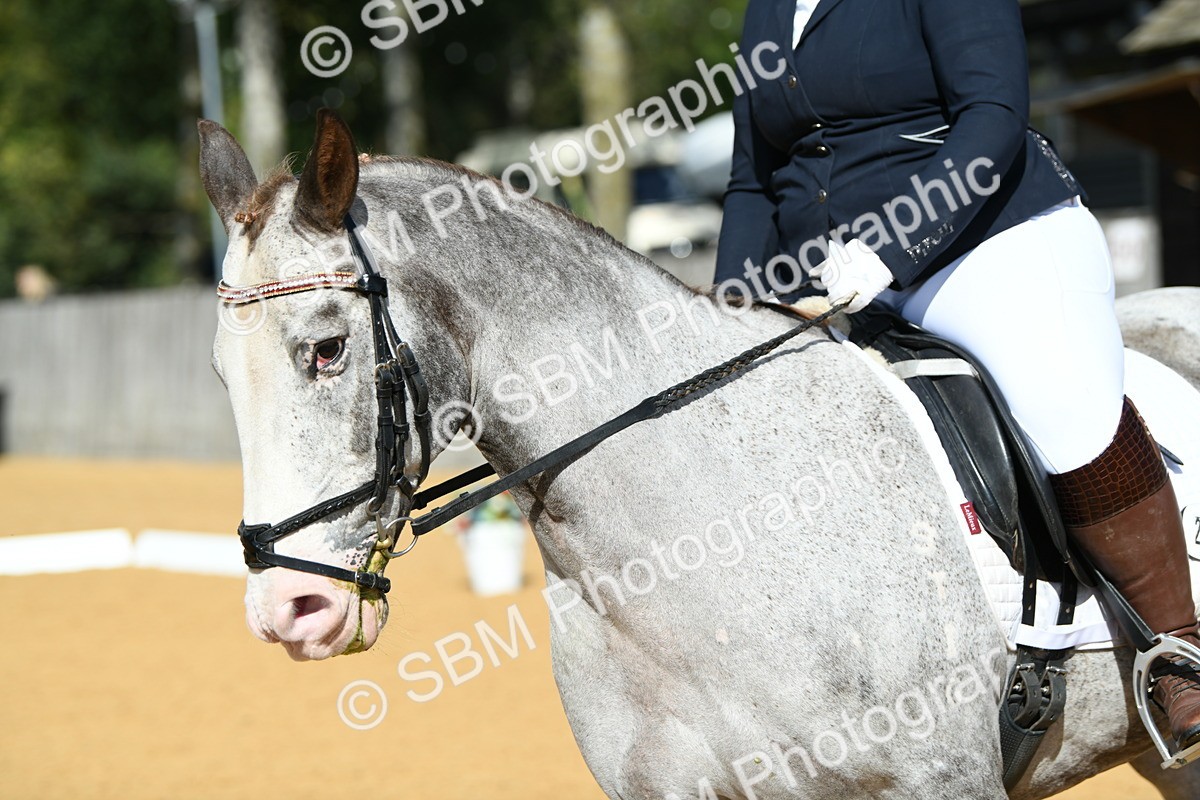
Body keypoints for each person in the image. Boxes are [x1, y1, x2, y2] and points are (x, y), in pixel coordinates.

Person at [715, 0, 1200, 752]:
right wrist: (728, 315)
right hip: (831, 275)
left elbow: (993, 115)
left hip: (988, 241)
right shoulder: (767, 9)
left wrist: (894, 246)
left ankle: (1181, 652)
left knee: (1063, 411)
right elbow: (754, 179)